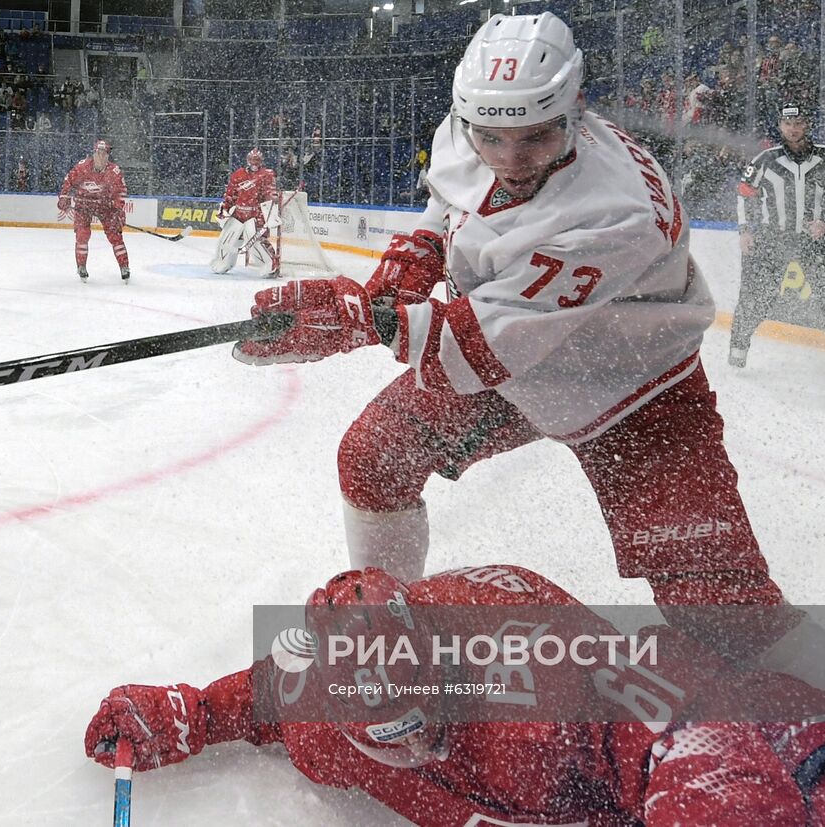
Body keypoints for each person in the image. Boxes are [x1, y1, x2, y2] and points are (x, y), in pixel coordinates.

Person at [229, 13, 789, 658]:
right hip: (517, 363)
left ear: (575, 110)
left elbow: (474, 348)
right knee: (374, 461)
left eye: (537, 139)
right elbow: (451, 207)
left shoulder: (616, 211)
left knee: (722, 603)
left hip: (633, 393)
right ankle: (390, 640)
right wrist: (416, 256)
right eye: (490, 137)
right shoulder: (474, 125)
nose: (510, 160)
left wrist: (361, 318)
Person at [86, 564, 825, 826]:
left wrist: (704, 778)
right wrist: (185, 713)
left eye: (424, 721)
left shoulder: (530, 670)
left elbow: (679, 696)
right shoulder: (319, 698)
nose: (416, 747)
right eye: (388, 736)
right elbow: (261, 696)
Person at [733, 103, 825, 381]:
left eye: (798, 123)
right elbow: (745, 195)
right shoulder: (764, 160)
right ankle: (739, 344)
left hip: (818, 242)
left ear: (807, 125)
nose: (793, 129)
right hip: (773, 239)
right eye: (787, 123)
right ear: (780, 126)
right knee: (757, 298)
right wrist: (745, 230)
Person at [57, 140, 129, 283]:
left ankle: (124, 266)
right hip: (83, 205)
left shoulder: (114, 171)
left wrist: (117, 209)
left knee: (115, 235)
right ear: (94, 154)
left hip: (105, 207)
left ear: (108, 156)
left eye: (104, 154)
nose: (101, 157)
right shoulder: (82, 167)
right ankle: (81, 266)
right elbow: (68, 181)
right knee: (82, 235)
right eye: (98, 153)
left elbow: (121, 192)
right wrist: (64, 197)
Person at [210, 148, 280, 277]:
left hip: (255, 214)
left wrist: (273, 199)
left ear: (261, 161)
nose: (254, 162)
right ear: (248, 160)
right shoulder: (238, 174)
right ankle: (223, 263)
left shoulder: (267, 174)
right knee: (226, 240)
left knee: (256, 241)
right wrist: (225, 208)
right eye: (252, 160)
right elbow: (231, 194)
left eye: (257, 160)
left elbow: (270, 191)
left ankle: (270, 265)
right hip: (238, 214)